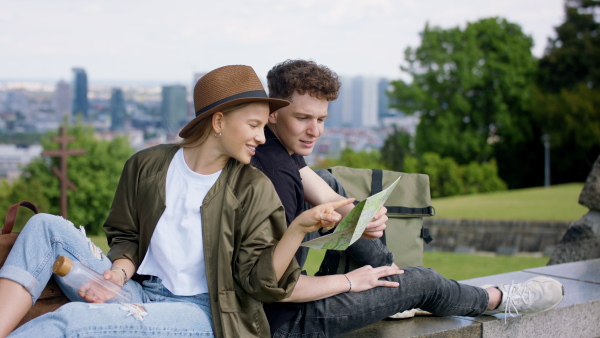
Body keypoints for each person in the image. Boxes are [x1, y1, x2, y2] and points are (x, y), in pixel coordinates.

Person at [0, 65, 353, 338]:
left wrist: (296, 231)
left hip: (204, 312)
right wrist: (118, 275)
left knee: (75, 320)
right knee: (46, 225)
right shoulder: (147, 165)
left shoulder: (253, 188)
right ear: (218, 122)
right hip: (138, 292)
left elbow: (260, 284)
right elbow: (126, 235)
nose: (262, 138)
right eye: (254, 125)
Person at [251, 59, 565, 337]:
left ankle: (394, 278)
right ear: (274, 113)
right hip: (284, 323)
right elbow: (274, 287)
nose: (315, 131)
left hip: (282, 304)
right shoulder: (274, 177)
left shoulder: (275, 147)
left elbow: (323, 190)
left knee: (329, 182)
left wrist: (360, 216)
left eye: (321, 119)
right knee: (422, 282)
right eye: (304, 118)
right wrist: (350, 281)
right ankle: (498, 299)